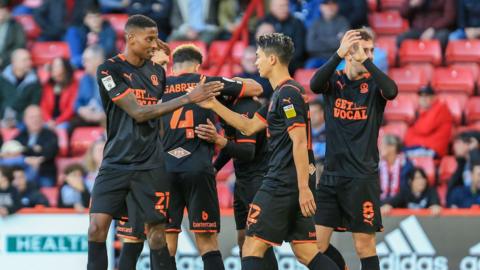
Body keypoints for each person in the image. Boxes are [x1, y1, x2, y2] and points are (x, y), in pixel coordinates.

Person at [87, 14, 223, 270]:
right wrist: (187, 98)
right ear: (130, 38)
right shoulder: (109, 69)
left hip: (151, 166)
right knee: (96, 228)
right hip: (116, 163)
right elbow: (138, 112)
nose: (154, 43)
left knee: (157, 234)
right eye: (149, 38)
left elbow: (161, 115)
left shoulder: (157, 73)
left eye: (157, 38)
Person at [198, 33, 339, 270]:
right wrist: (214, 105)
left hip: (283, 180)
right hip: (292, 179)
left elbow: (299, 142)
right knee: (306, 252)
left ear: (272, 59)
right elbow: (248, 125)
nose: (256, 62)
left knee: (251, 246)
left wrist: (304, 189)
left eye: (259, 57)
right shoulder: (281, 94)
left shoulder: (288, 94)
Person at [116, 43, 263, 270]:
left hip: (164, 171)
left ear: (173, 67)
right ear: (198, 66)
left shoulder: (158, 87)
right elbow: (256, 88)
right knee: (207, 243)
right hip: (198, 169)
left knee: (166, 242)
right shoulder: (207, 83)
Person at [310, 29, 398, 270]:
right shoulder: (335, 81)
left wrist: (366, 62)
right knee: (315, 246)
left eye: (371, 50)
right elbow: (314, 84)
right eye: (363, 50)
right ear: (349, 54)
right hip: (330, 177)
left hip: (361, 178)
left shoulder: (373, 85)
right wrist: (338, 52)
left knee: (364, 247)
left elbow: (392, 91)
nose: (368, 55)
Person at [196, 97, 277, 269]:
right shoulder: (229, 110)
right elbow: (232, 143)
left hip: (259, 181)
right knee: (243, 240)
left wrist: (218, 140)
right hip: (242, 181)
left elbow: (247, 152)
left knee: (257, 242)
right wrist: (215, 168)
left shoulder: (245, 107)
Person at [15, 105, 59, 187]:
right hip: (23, 174)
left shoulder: (50, 134)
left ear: (42, 119)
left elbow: (50, 152)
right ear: (25, 120)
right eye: (32, 117)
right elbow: (14, 150)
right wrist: (33, 152)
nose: (35, 120)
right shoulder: (20, 135)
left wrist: (29, 154)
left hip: (45, 172)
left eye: (38, 116)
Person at [404, 85, 452, 158]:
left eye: (427, 96)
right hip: (423, 147)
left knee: (400, 156)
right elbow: (410, 134)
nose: (423, 99)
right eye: (421, 96)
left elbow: (425, 128)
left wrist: (415, 136)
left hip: (433, 150)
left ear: (434, 97)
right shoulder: (425, 112)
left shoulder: (441, 108)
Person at [69, 45, 107, 137]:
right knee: (70, 126)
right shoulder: (85, 79)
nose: (83, 63)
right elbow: (77, 102)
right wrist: (81, 110)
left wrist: (103, 114)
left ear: (98, 60)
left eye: (87, 60)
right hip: (88, 115)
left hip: (105, 117)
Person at [260, 0, 306, 72]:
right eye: (281, 6)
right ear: (272, 7)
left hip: (291, 63)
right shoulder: (264, 22)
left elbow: (299, 50)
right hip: (268, 61)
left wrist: (281, 60)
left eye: (287, 5)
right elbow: (257, 44)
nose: (285, 9)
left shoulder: (296, 23)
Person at [0, 49, 42, 127]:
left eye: (29, 59)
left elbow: (33, 106)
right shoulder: (2, 79)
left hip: (23, 122)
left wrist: (16, 119)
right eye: (25, 60)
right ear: (14, 62)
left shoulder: (35, 82)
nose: (29, 63)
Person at [305, 0, 350, 69]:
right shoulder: (315, 23)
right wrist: (335, 39)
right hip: (318, 59)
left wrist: (320, 40)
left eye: (333, 3)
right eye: (326, 4)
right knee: (308, 67)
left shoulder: (343, 22)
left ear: (337, 6)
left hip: (339, 58)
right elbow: (310, 46)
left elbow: (344, 44)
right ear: (320, 7)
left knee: (347, 67)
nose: (330, 6)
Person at [40, 57, 79, 130]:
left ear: (65, 69)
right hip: (49, 121)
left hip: (66, 121)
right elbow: (43, 106)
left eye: (57, 66)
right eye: (53, 65)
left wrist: (57, 121)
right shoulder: (47, 85)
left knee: (61, 128)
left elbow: (71, 108)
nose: (54, 68)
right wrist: (48, 120)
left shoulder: (73, 84)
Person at [379, 134, 414, 202]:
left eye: (383, 145)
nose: (380, 148)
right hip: (381, 203)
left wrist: (389, 203)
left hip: (400, 203)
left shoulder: (406, 165)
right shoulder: (378, 165)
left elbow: (405, 190)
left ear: (392, 147)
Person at [447, 132, 480, 200]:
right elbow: (452, 186)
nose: (454, 146)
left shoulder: (476, 159)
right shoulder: (463, 163)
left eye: (458, 143)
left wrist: (474, 150)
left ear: (468, 144)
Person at [0, 1, 26, 70]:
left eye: (2, 9)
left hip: (7, 62)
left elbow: (20, 45)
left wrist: (3, 58)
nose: (1, 13)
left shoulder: (15, 25)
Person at [309, 98, 327, 168]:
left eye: (315, 112)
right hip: (311, 167)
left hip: (327, 167)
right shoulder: (304, 133)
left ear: (323, 113)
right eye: (310, 113)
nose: (312, 116)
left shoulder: (331, 131)